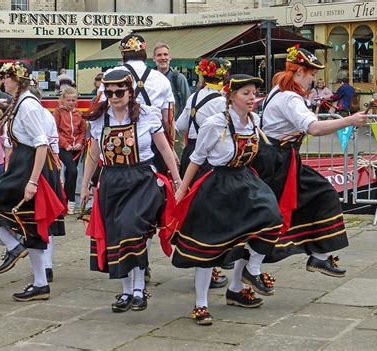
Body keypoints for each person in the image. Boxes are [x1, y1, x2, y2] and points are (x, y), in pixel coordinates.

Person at [169, 75, 283, 325]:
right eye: (246, 93)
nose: (252, 97)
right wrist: (182, 189)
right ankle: (201, 304)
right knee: (207, 247)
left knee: (271, 219)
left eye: (254, 92)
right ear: (231, 97)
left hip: (245, 180)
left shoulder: (255, 120)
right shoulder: (214, 124)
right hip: (218, 184)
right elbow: (197, 159)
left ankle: (248, 276)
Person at [252, 46, 367, 276]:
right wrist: (350, 120)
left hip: (278, 157)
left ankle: (318, 256)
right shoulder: (290, 98)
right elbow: (314, 128)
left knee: (317, 195)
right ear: (299, 72)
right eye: (312, 73)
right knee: (269, 215)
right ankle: (248, 269)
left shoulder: (278, 90)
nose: (314, 79)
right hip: (278, 160)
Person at [80, 70, 181, 313]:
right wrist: (85, 185)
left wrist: (177, 179)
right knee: (116, 234)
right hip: (112, 181)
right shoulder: (99, 119)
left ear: (130, 91)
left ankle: (138, 288)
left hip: (141, 178)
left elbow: (165, 149)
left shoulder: (147, 115)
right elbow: (93, 156)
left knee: (133, 229)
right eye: (109, 92)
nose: (114, 97)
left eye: (119, 92)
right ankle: (126, 290)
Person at [0, 61, 65, 301]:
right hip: (22, 165)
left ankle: (14, 248)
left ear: (17, 80)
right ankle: (40, 282)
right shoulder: (20, 102)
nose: (3, 81)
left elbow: (41, 144)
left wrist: (32, 181)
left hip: (28, 168)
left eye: (6, 77)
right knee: (30, 224)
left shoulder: (28, 105)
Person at [99, 33, 176, 283]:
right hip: (153, 146)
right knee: (148, 212)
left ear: (122, 54)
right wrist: (170, 152)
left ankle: (135, 265)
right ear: (146, 54)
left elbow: (101, 110)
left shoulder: (112, 75)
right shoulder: (160, 78)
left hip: (117, 150)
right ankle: (143, 253)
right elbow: (168, 119)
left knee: (125, 215)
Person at [175, 57, 231, 289]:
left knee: (195, 210)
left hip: (191, 153)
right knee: (215, 211)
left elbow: (179, 126)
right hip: (210, 157)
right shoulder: (222, 102)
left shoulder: (194, 97)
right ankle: (212, 264)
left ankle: (201, 260)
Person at [53, 86, 86, 215]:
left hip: (76, 148)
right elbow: (55, 129)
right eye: (68, 100)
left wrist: (79, 143)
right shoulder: (58, 112)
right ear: (63, 100)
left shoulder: (79, 114)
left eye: (73, 100)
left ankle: (66, 203)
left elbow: (82, 130)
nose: (71, 103)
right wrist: (65, 144)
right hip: (63, 147)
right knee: (73, 170)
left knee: (70, 174)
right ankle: (70, 200)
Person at [153, 42, 190, 119]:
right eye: (159, 55)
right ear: (154, 58)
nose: (163, 58)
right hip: (154, 125)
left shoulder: (179, 78)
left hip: (174, 125)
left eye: (165, 54)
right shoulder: (149, 79)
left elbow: (188, 104)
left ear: (170, 57)